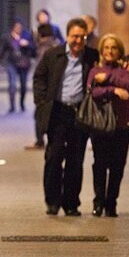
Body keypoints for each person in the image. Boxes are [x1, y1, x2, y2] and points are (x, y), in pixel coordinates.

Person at [33, 18, 97, 216]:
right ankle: (52, 201)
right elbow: (39, 77)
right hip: (57, 112)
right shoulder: (54, 55)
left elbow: (116, 58)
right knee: (54, 157)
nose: (78, 40)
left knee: (75, 160)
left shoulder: (92, 56)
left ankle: (71, 203)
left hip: (79, 114)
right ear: (67, 36)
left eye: (81, 37)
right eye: (74, 36)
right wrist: (42, 102)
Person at [87, 34, 129, 217]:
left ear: (119, 51)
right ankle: (98, 201)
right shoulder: (94, 70)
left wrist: (105, 79)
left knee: (117, 166)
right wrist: (113, 89)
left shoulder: (126, 69)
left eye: (113, 48)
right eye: (106, 48)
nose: (109, 51)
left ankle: (111, 202)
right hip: (100, 125)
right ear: (101, 50)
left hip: (122, 125)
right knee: (99, 164)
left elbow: (128, 84)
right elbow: (93, 91)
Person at [0, 17, 35, 113]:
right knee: (12, 84)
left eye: (20, 27)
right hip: (11, 63)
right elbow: (2, 50)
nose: (18, 29)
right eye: (16, 27)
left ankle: (22, 104)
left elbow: (33, 49)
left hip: (23, 63)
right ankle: (12, 106)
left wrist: (27, 44)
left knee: (23, 85)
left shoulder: (26, 36)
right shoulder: (7, 37)